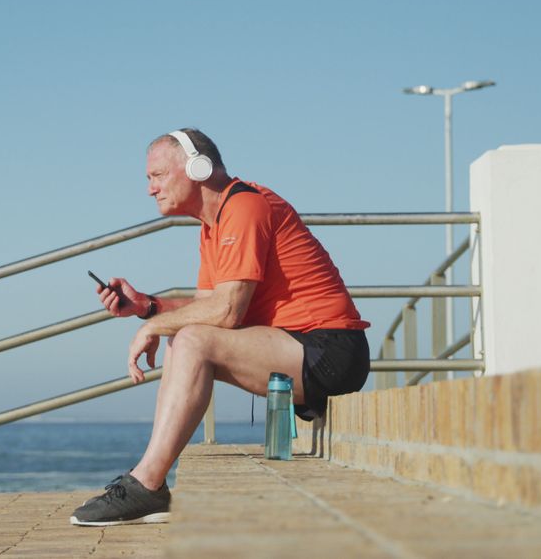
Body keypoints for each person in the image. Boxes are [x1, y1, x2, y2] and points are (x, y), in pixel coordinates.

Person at [69, 128, 371, 527]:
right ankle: (150, 485)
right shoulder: (213, 224)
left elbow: (227, 313)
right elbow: (208, 308)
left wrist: (156, 326)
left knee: (190, 339)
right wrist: (147, 307)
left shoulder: (245, 206)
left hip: (331, 349)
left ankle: (146, 484)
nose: (150, 189)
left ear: (198, 167)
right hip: (294, 347)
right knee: (186, 337)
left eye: (157, 175)